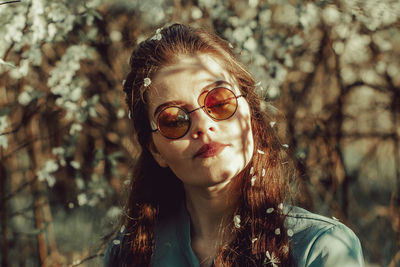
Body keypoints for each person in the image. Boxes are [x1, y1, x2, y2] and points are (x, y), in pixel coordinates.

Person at [104, 23, 364, 267]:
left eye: (219, 102)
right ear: (155, 149)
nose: (203, 125)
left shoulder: (321, 248)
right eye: (173, 120)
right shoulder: (128, 254)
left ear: (249, 113)